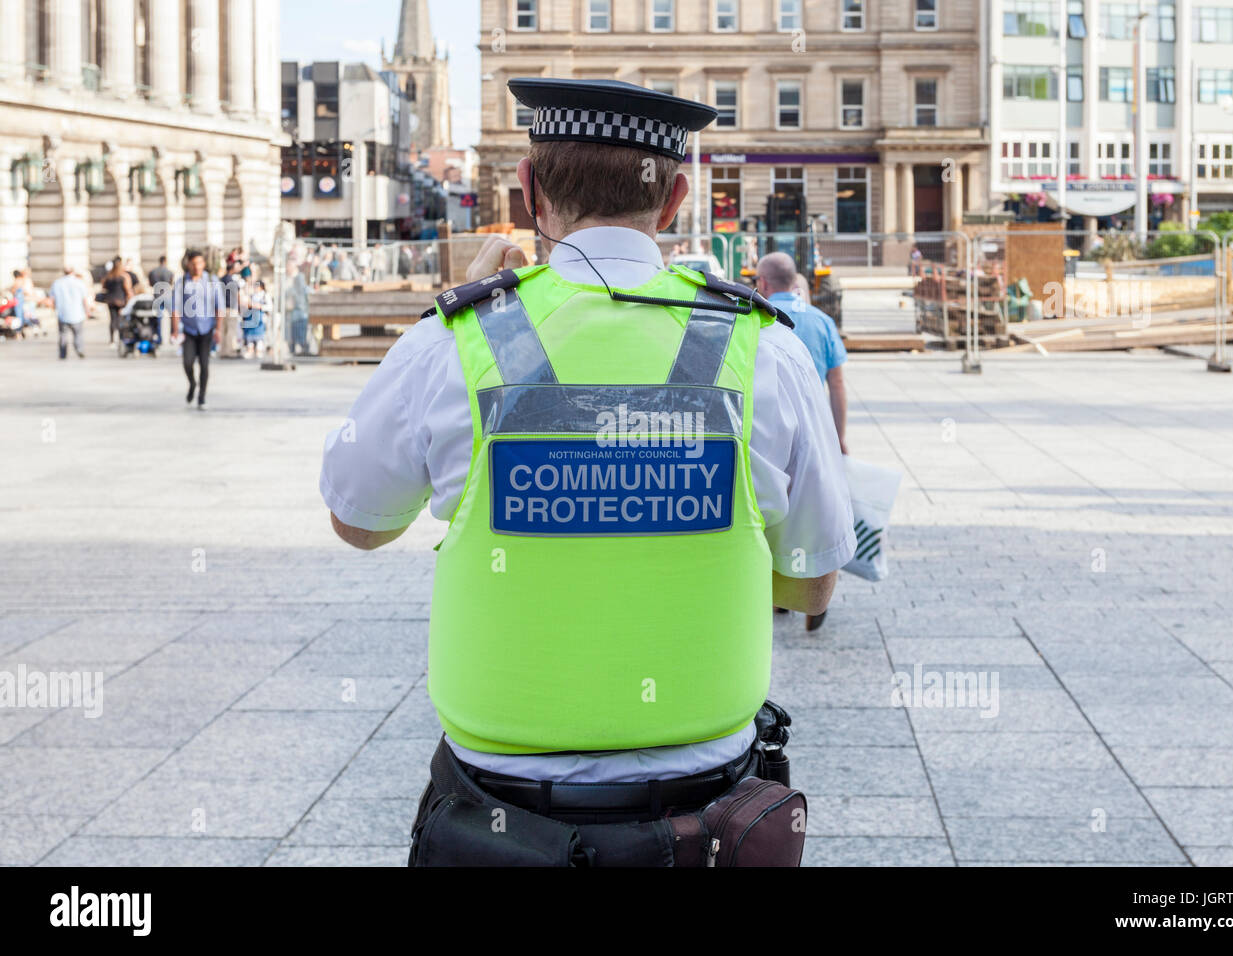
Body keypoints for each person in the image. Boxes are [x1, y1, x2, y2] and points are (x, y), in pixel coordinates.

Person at [319, 78, 853, 867]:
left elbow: (358, 521)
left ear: (530, 193)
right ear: (673, 200)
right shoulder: (763, 350)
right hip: (703, 819)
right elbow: (812, 585)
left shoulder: (458, 340)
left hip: (497, 821)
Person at [756, 252, 851, 633]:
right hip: (815, 431)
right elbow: (838, 383)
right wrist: (839, 436)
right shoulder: (822, 321)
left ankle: (781, 601)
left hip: (771, 431)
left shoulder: (755, 320)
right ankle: (813, 603)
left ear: (762, 283)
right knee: (815, 514)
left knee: (776, 512)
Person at [169, 248, 223, 410]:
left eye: (200, 263)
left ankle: (201, 397)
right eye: (194, 263)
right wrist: (175, 330)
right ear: (188, 265)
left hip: (207, 329)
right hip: (189, 330)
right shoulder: (182, 282)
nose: (197, 266)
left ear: (204, 263)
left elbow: (219, 307)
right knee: (187, 362)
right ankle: (192, 383)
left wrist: (218, 329)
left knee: (205, 364)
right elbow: (175, 308)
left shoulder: (212, 281)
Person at [48, 265, 92, 359]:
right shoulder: (79, 283)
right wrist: (87, 310)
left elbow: (52, 299)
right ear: (73, 272)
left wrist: (53, 308)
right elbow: (84, 299)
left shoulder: (57, 283)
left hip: (62, 313)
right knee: (78, 334)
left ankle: (63, 353)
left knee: (63, 334)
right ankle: (79, 349)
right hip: (77, 313)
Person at [101, 257, 133, 343]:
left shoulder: (108, 276)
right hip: (121, 301)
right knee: (120, 319)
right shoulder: (124, 276)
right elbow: (128, 289)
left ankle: (111, 339)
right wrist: (131, 299)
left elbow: (103, 286)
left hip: (110, 300)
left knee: (112, 319)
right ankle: (120, 338)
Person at [243, 279, 268, 358]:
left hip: (260, 319)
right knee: (250, 335)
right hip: (251, 318)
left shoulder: (265, 295)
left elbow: (269, 307)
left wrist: (260, 306)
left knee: (259, 336)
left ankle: (258, 351)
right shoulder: (252, 295)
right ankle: (250, 350)